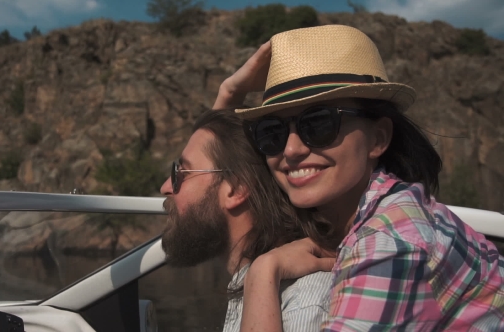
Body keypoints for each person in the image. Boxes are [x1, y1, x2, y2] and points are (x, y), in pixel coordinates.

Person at [214, 25, 504, 331]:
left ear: (378, 138)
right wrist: (230, 93)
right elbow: (205, 179)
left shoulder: (391, 243)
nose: (291, 149)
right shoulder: (363, 207)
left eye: (319, 123)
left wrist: (262, 274)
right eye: (270, 132)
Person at [160, 109, 335, 331]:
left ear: (236, 188)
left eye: (181, 173)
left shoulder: (302, 304)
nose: (166, 187)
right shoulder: (251, 288)